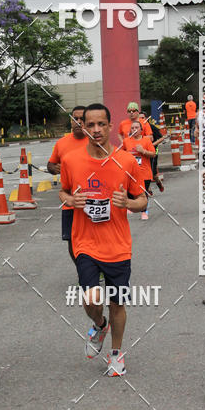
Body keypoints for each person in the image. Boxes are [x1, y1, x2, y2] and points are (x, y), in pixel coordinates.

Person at [60, 103, 147, 377]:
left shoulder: (127, 161)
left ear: (110, 126)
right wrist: (70, 200)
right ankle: (99, 325)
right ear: (82, 127)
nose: (96, 130)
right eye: (90, 125)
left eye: (101, 124)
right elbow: (62, 192)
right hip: (84, 242)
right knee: (92, 298)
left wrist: (129, 204)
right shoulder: (71, 160)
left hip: (118, 245)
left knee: (117, 302)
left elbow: (143, 200)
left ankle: (116, 353)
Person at [47, 106, 87, 262]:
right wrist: (53, 168)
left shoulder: (94, 141)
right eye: (74, 118)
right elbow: (51, 164)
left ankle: (97, 269)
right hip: (69, 201)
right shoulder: (62, 143)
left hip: (93, 199)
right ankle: (82, 271)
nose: (78, 122)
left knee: (95, 240)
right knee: (72, 241)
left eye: (81, 119)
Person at [123, 120, 155, 220]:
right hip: (130, 171)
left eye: (136, 128)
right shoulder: (126, 141)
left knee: (143, 192)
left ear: (141, 130)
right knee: (129, 190)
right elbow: (121, 154)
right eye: (132, 128)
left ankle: (144, 211)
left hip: (144, 171)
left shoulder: (146, 140)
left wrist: (143, 151)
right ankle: (130, 206)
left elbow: (153, 154)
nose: (134, 130)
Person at [139, 111, 166, 192]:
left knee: (152, 172)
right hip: (142, 152)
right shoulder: (137, 129)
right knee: (142, 172)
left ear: (146, 119)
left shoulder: (151, 127)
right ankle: (147, 188)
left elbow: (161, 138)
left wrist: (152, 145)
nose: (141, 119)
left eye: (143, 118)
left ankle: (158, 183)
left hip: (153, 150)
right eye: (139, 118)